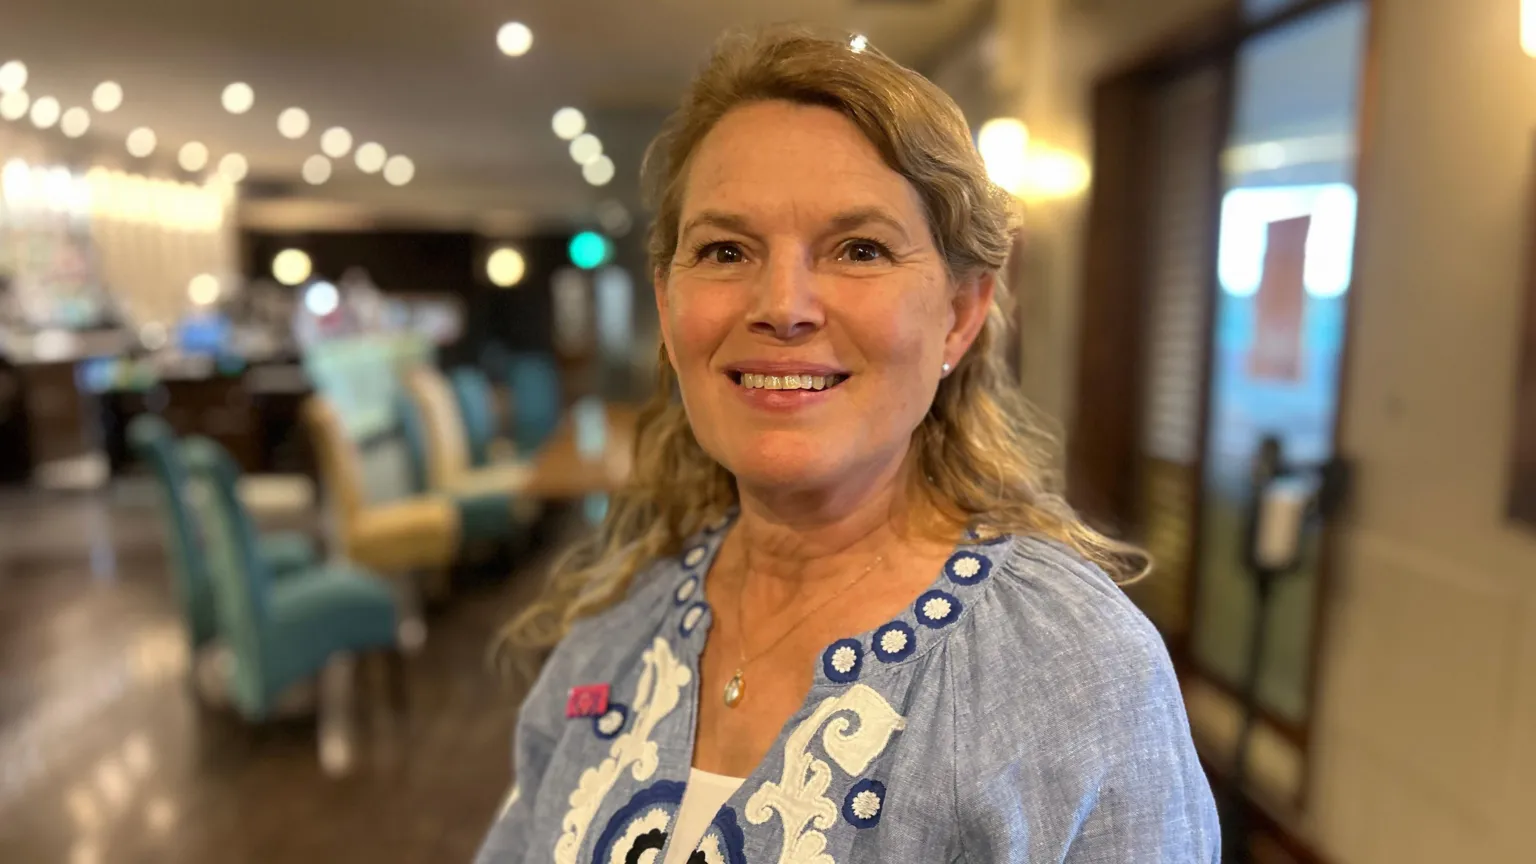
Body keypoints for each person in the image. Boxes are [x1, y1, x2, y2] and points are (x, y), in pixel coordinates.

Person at [477, 27, 1219, 864]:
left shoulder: (1074, 673)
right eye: (725, 250)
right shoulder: (615, 635)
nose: (782, 306)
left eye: (859, 249)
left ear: (961, 314)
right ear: (668, 305)